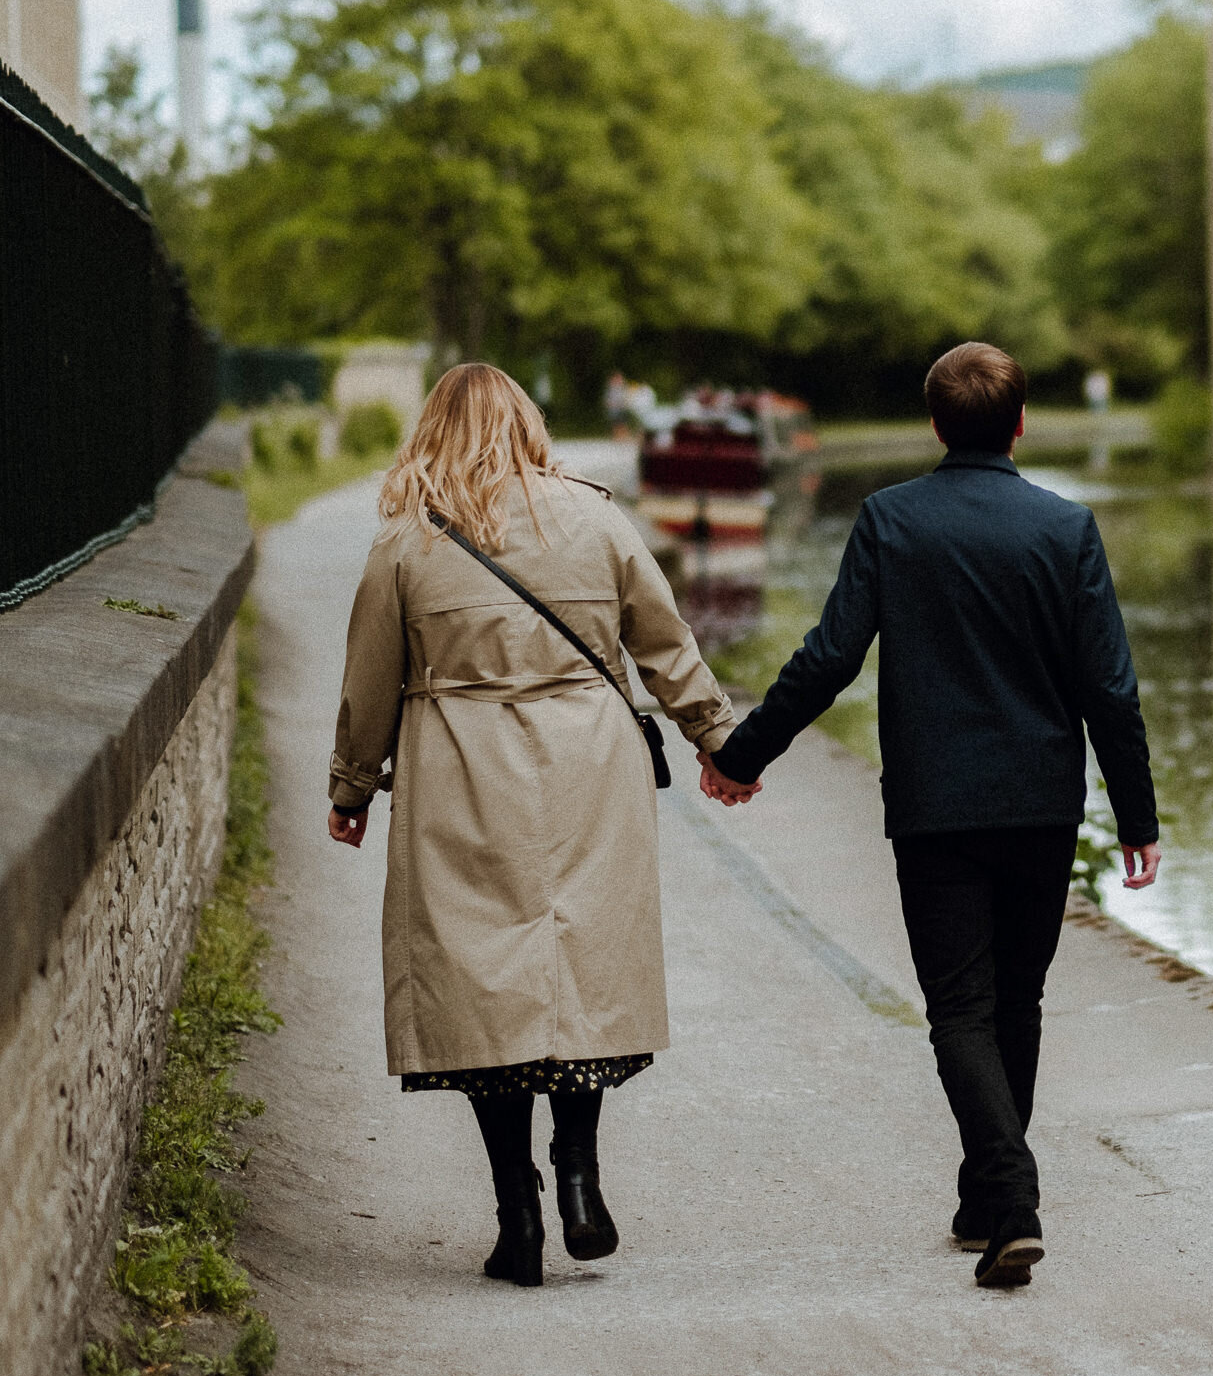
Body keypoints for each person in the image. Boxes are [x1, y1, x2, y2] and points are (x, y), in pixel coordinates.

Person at [704, 342, 1160, 1290]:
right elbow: (1109, 689)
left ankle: (1007, 1196)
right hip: (1041, 803)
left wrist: (742, 752)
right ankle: (989, 1198)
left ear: (935, 422)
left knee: (959, 1006)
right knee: (1016, 1002)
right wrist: (1137, 815)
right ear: (1021, 423)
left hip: (936, 806)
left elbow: (830, 656)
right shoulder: (1065, 528)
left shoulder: (891, 520)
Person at [327, 363, 739, 1287]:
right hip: (589, 765)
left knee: (484, 980)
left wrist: (352, 789)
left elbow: (369, 678)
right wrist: (715, 738)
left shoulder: (405, 544)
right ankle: (581, 1176)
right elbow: (665, 640)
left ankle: (518, 1218)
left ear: (433, 428)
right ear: (527, 422)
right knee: (578, 965)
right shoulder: (593, 519)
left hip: (461, 771)